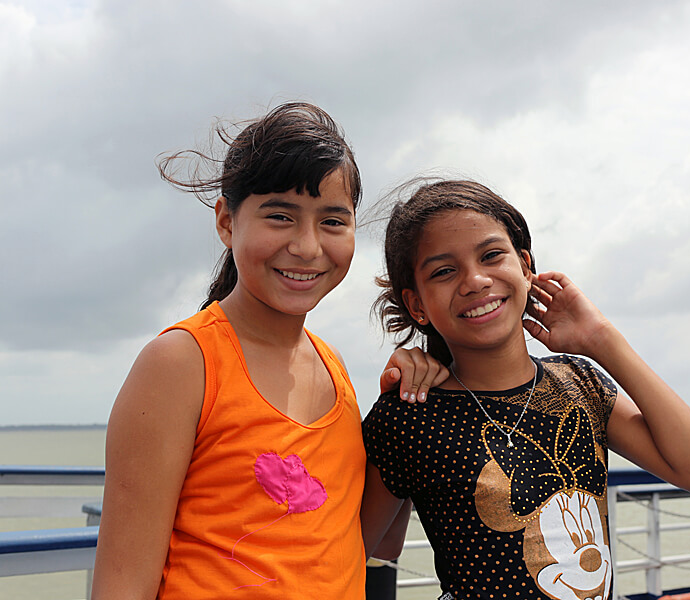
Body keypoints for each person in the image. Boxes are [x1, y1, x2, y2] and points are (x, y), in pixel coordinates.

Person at [91, 103, 446, 599]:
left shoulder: (333, 365)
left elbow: (341, 537)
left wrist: (406, 397)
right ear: (226, 221)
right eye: (280, 216)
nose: (306, 246)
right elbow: (121, 585)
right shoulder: (181, 362)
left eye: (332, 222)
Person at [361, 179, 690, 600]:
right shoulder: (409, 415)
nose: (475, 280)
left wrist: (602, 340)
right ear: (416, 305)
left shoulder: (579, 383)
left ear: (524, 265)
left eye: (491, 255)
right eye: (444, 271)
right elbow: (362, 549)